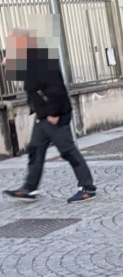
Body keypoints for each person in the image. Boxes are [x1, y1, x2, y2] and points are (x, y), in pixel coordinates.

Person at [3, 27, 97, 203]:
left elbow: (56, 87)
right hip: (43, 115)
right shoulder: (29, 57)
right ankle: (29, 188)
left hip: (54, 115)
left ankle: (87, 188)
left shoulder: (41, 58)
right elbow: (30, 81)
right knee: (35, 149)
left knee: (68, 151)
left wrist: (53, 113)